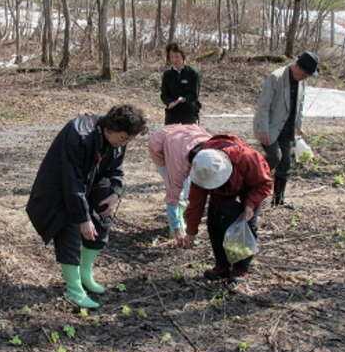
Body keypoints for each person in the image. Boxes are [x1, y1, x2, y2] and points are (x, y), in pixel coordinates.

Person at [26, 104, 148, 309]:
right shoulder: (78, 134)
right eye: (124, 138)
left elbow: (115, 168)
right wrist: (83, 218)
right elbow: (72, 180)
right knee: (70, 230)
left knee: (102, 217)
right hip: (61, 187)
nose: (125, 143)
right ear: (109, 129)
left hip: (92, 179)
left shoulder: (118, 137)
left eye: (129, 139)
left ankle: (85, 274)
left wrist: (115, 192)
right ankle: (74, 290)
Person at [179, 133, 272, 284]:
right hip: (222, 192)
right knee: (215, 220)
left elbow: (264, 184)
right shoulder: (201, 167)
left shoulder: (248, 158)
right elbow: (196, 203)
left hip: (251, 187)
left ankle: (241, 269)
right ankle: (222, 266)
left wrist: (250, 205)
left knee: (246, 225)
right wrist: (191, 231)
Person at [253, 52, 318, 207]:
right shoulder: (276, 78)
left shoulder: (302, 82)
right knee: (275, 157)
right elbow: (263, 107)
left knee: (285, 164)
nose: (306, 77)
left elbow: (299, 105)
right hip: (270, 127)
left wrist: (298, 125)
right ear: (297, 67)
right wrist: (264, 130)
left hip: (287, 129)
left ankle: (278, 200)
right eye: (305, 74)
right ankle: (252, 181)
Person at [147, 123, 211, 240]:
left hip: (187, 136)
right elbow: (173, 195)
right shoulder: (179, 166)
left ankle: (185, 220)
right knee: (178, 192)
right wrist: (177, 231)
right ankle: (176, 229)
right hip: (161, 144)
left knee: (188, 188)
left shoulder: (214, 149)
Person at [160, 42, 201, 125]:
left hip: (189, 111)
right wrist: (169, 102)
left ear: (183, 57)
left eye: (177, 56)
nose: (174, 60)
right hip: (172, 112)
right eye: (171, 57)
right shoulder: (167, 74)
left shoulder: (193, 73)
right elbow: (164, 94)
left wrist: (184, 99)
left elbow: (194, 94)